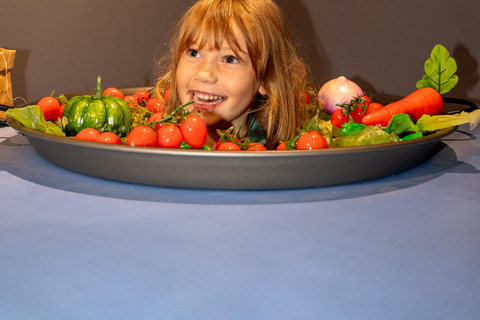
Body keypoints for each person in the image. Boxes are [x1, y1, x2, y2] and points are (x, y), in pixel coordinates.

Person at [154, 0, 309, 149]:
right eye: (194, 53)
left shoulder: (276, 156)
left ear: (267, 79)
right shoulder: (155, 136)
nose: (204, 74)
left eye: (229, 59)